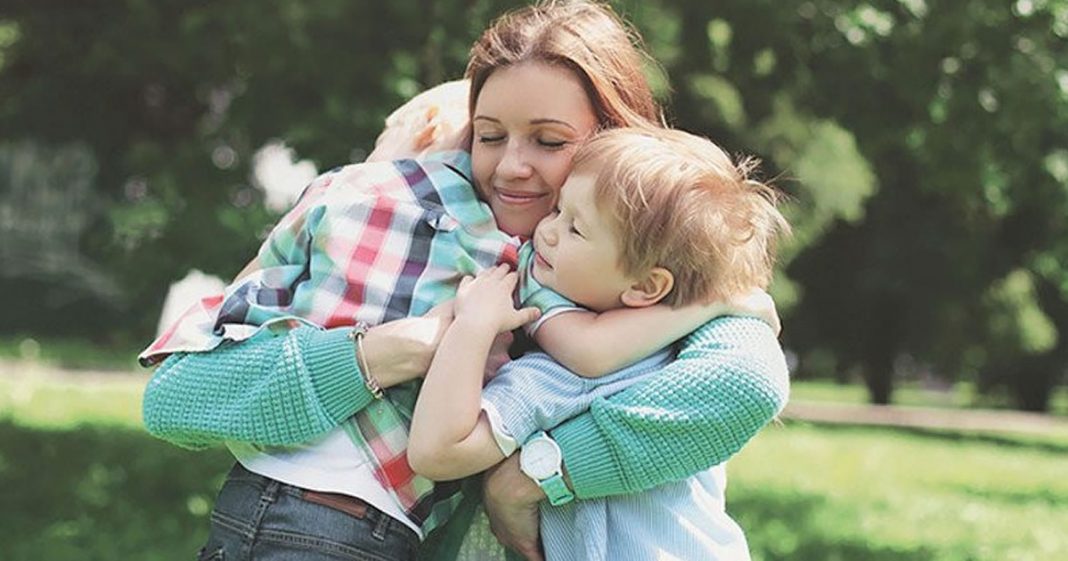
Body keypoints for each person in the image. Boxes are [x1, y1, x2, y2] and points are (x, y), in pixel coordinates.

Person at [139, 2, 789, 560]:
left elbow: (747, 382)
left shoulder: (671, 258)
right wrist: (382, 350)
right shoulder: (435, 230)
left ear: (614, 147)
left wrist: (535, 476)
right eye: (487, 135)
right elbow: (175, 395)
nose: (511, 166)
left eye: (550, 142)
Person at [407, 126, 789, 561]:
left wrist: (472, 326)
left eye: (576, 229)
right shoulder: (688, 359)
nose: (546, 232)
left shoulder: (569, 380)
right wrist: (715, 303)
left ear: (646, 286)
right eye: (556, 210)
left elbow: (436, 451)